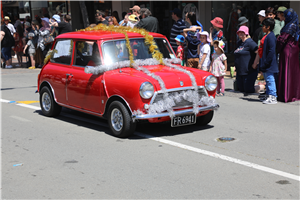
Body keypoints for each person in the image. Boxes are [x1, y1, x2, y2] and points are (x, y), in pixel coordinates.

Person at [276, 8, 300, 102]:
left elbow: (282, 40)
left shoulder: (289, 26)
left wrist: (277, 44)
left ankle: (286, 95)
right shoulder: (296, 25)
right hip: (294, 50)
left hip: (287, 50)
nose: (285, 18)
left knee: (287, 71)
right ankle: (294, 94)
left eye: (285, 16)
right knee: (294, 72)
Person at [254, 18, 278, 104]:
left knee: (270, 80)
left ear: (268, 27)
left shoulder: (271, 36)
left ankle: (273, 96)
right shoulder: (267, 35)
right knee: (267, 80)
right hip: (265, 62)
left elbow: (271, 51)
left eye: (263, 26)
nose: (262, 27)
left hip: (269, 64)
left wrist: (267, 62)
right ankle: (268, 95)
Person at [234, 26, 258, 94]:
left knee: (248, 90)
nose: (240, 34)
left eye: (242, 32)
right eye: (239, 32)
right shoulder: (239, 43)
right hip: (240, 71)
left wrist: (255, 63)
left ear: (246, 33)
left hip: (248, 71)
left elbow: (258, 52)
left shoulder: (250, 42)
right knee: (241, 89)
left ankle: (262, 86)